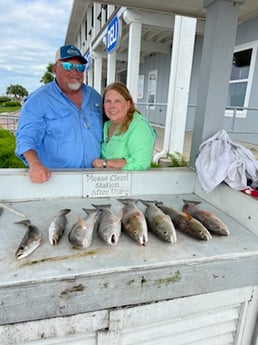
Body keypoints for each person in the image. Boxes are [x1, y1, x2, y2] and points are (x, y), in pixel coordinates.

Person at [15, 44, 103, 184]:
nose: (75, 72)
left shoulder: (95, 97)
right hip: (55, 180)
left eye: (80, 67)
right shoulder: (38, 100)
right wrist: (35, 164)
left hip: (95, 179)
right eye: (68, 66)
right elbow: (26, 137)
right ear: (55, 69)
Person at [92, 82, 156, 170]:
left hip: (130, 182)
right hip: (107, 182)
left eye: (117, 101)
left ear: (128, 104)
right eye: (108, 101)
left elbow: (141, 165)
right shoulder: (107, 125)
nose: (112, 106)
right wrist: (121, 162)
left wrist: (106, 163)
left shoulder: (139, 126)